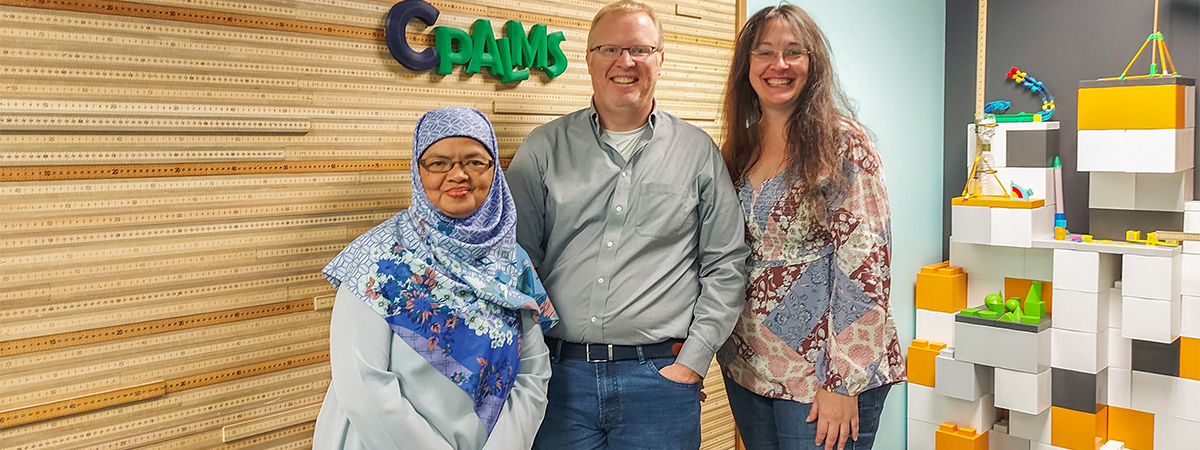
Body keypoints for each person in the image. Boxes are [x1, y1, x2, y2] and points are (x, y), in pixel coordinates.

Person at [505, 1, 750, 449]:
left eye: (640, 49)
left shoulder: (697, 153)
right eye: (610, 49)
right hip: (558, 381)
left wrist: (693, 361)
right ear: (588, 58)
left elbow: (726, 264)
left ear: (660, 58)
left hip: (659, 382)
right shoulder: (543, 149)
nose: (625, 61)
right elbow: (515, 262)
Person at [714, 5, 906, 450]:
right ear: (747, 66)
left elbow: (866, 263)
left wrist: (843, 381)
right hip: (748, 366)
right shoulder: (739, 148)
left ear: (813, 62)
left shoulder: (844, 142)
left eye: (793, 52)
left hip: (823, 375)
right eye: (765, 52)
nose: (778, 64)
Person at [314, 106, 558, 450]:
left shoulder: (511, 261)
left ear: (494, 170)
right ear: (418, 171)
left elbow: (532, 373)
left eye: (475, 161)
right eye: (439, 163)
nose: (458, 174)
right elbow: (362, 386)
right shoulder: (377, 258)